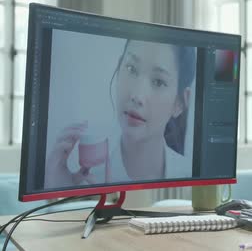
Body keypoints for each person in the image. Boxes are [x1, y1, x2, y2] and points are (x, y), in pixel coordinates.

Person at [45, 39, 196, 188]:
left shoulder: (191, 179)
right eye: (131, 69)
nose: (137, 96)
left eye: (158, 82)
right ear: (118, 68)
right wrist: (61, 196)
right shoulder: (85, 178)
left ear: (180, 103)